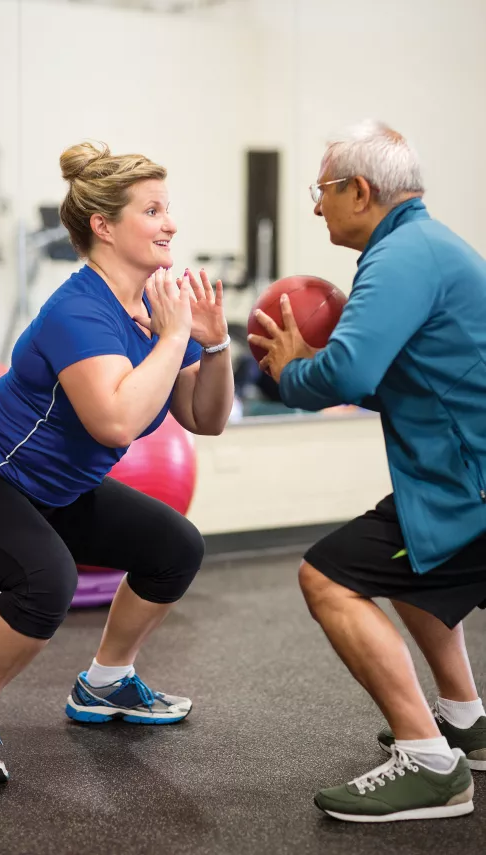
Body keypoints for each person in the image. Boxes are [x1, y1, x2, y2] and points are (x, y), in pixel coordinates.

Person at [0, 141, 234, 785]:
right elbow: (115, 420)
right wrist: (175, 337)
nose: (170, 222)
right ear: (104, 226)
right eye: (153, 210)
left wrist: (215, 339)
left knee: (175, 546)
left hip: (52, 488)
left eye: (168, 208)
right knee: (44, 580)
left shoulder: (154, 306)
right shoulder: (78, 310)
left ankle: (106, 683)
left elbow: (207, 418)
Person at [248, 120, 486, 823]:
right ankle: (465, 723)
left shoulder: (403, 255)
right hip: (455, 480)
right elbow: (395, 381)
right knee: (405, 560)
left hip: (471, 488)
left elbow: (348, 369)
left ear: (359, 189)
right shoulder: (421, 245)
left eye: (322, 190)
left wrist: (292, 373)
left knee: (328, 575)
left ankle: (429, 763)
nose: (315, 206)